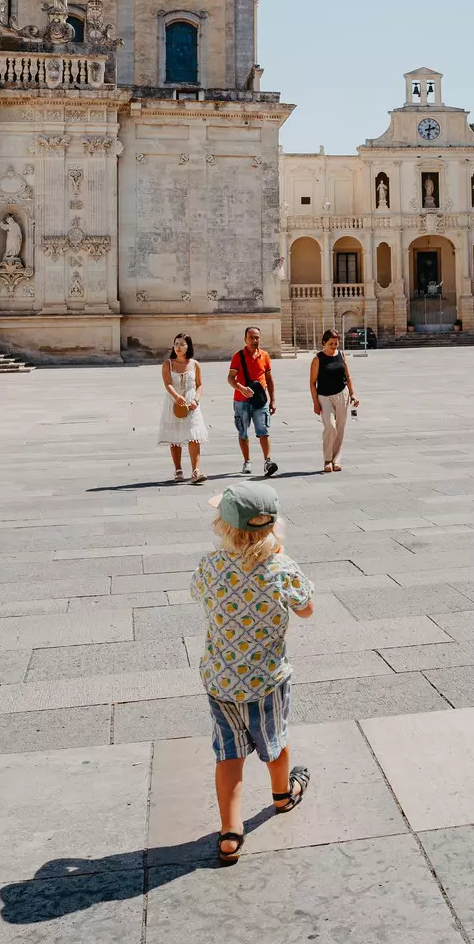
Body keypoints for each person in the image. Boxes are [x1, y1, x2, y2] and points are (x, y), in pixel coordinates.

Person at [191, 481, 312, 865]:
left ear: (224, 527)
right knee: (274, 738)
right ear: (273, 526)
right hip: (267, 679)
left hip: (221, 678)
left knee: (228, 754)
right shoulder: (281, 567)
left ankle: (230, 833)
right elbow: (307, 608)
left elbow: (198, 593)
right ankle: (281, 795)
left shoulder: (211, 565)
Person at [229, 326, 279, 477]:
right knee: (243, 432)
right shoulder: (238, 356)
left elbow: (269, 380)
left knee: (263, 430)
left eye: (257, 337)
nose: (254, 340)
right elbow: (230, 378)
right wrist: (240, 387)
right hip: (241, 401)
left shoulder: (264, 356)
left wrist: (273, 400)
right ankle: (247, 461)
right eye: (251, 337)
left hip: (260, 401)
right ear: (245, 339)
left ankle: (268, 461)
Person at [160, 333, 209, 485]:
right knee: (174, 435)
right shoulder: (168, 363)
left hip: (191, 402)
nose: (178, 347)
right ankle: (178, 469)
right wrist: (176, 397)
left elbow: (199, 385)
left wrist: (196, 399)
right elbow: (167, 383)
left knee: (194, 435)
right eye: (176, 344)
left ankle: (195, 470)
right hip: (174, 402)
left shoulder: (194, 364)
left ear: (188, 346)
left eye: (182, 344)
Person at [308, 330, 359, 473]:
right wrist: (315, 402)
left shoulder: (341, 355)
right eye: (331, 343)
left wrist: (353, 394)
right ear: (324, 342)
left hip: (342, 394)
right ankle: (327, 459)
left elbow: (347, 376)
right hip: (324, 397)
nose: (334, 346)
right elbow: (312, 383)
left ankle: (336, 460)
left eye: (336, 343)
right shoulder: (318, 359)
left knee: (341, 428)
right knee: (330, 426)